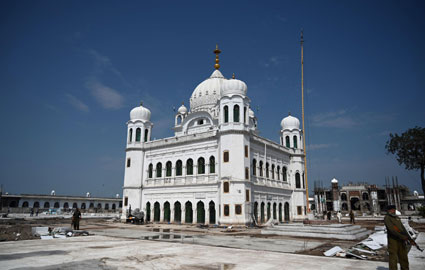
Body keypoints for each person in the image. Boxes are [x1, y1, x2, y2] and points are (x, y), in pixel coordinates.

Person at [384, 205, 412, 270]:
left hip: (401, 240)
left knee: (403, 256)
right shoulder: (387, 218)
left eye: (394, 209)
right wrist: (402, 237)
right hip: (393, 240)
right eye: (391, 210)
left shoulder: (396, 218)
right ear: (388, 211)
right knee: (393, 257)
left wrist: (408, 237)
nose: (393, 211)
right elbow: (392, 229)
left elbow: (403, 228)